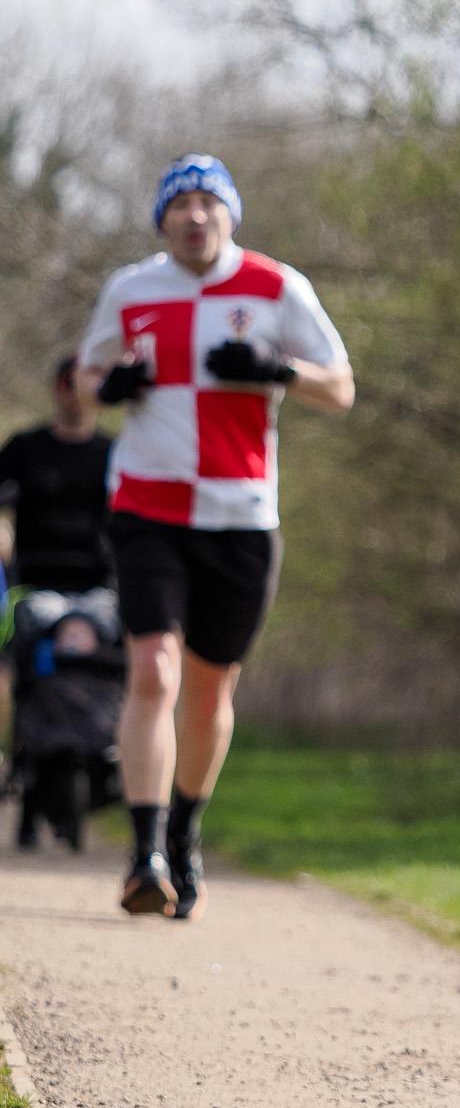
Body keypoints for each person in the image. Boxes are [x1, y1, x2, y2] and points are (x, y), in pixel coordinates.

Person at [77, 155, 354, 921]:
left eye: (208, 203)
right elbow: (89, 375)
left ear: (230, 213)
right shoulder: (131, 289)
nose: (195, 216)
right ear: (162, 219)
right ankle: (144, 853)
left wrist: (279, 369)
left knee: (207, 691)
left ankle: (186, 833)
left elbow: (342, 386)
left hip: (240, 516)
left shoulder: (277, 286)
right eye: (180, 204)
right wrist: (113, 387)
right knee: (153, 673)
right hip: (147, 508)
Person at [0, 356, 114, 593]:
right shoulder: (24, 447)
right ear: (55, 386)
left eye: (83, 385)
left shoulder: (114, 453)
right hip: (32, 581)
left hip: (95, 583)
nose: (73, 393)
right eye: (67, 382)